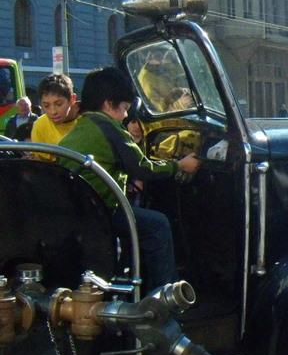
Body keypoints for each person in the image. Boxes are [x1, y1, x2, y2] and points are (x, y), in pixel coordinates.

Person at [59, 67, 201, 293]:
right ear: (108, 104)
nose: (126, 116)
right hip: (100, 212)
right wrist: (179, 165)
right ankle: (167, 295)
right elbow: (143, 167)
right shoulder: (109, 127)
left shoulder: (82, 126)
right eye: (124, 108)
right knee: (158, 224)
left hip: (77, 211)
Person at [30, 74, 80, 159]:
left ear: (72, 99)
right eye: (46, 105)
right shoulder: (39, 126)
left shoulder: (88, 121)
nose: (53, 111)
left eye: (58, 104)